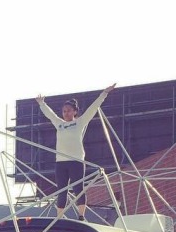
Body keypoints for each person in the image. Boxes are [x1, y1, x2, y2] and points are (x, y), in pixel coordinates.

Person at [35, 83, 116, 219]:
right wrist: (42, 103)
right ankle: (59, 217)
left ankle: (81, 215)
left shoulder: (80, 122)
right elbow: (50, 114)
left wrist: (104, 93)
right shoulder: (59, 123)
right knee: (62, 191)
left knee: (78, 188)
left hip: (76, 161)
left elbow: (92, 108)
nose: (66, 113)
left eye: (69, 110)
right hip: (61, 162)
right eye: (64, 111)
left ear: (75, 112)